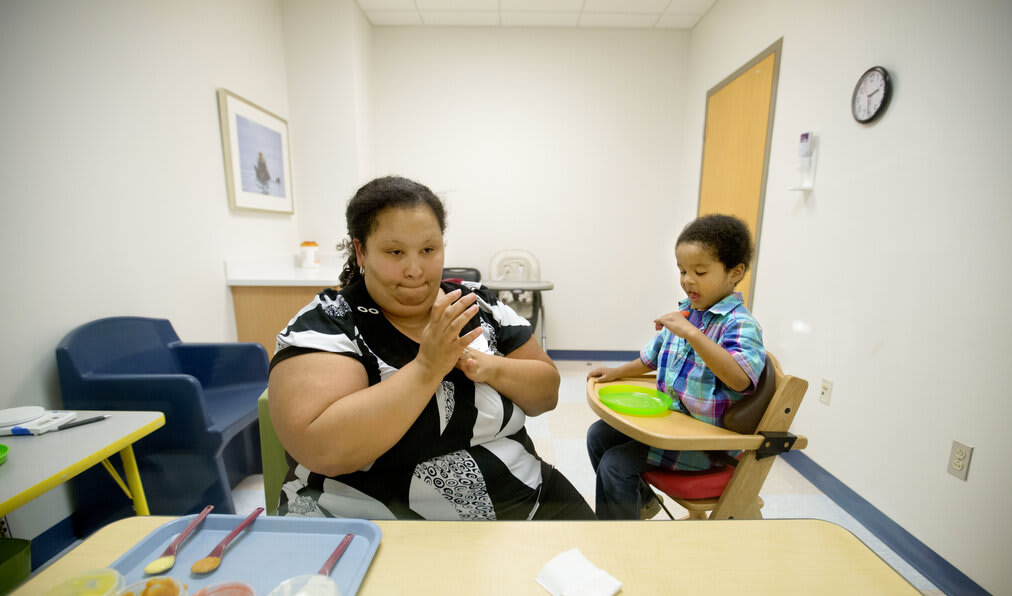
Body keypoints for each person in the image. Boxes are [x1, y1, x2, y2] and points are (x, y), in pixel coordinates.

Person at [268, 175, 594, 520]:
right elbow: (322, 449)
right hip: (369, 521)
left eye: (428, 250)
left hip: (524, 500)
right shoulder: (330, 322)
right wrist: (427, 367)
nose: (415, 270)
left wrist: (485, 365)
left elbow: (546, 394)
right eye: (395, 252)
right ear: (361, 251)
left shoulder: (477, 305)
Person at [586, 214, 766, 520]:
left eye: (700, 271)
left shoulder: (740, 324)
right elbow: (651, 358)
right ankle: (641, 505)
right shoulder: (687, 313)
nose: (687, 280)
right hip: (671, 427)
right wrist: (616, 372)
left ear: (735, 272)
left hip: (704, 444)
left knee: (615, 464)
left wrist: (693, 335)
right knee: (598, 435)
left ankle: (620, 542)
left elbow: (738, 379)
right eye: (682, 271)